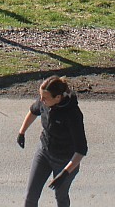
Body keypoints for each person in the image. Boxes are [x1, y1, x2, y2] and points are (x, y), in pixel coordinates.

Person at [16, 75, 88, 207]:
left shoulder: (72, 114)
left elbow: (81, 149)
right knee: (30, 197)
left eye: (45, 98)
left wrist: (65, 173)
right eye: (41, 96)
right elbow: (33, 111)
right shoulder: (45, 102)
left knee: (61, 196)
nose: (41, 100)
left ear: (58, 98)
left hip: (65, 161)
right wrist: (22, 132)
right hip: (44, 154)